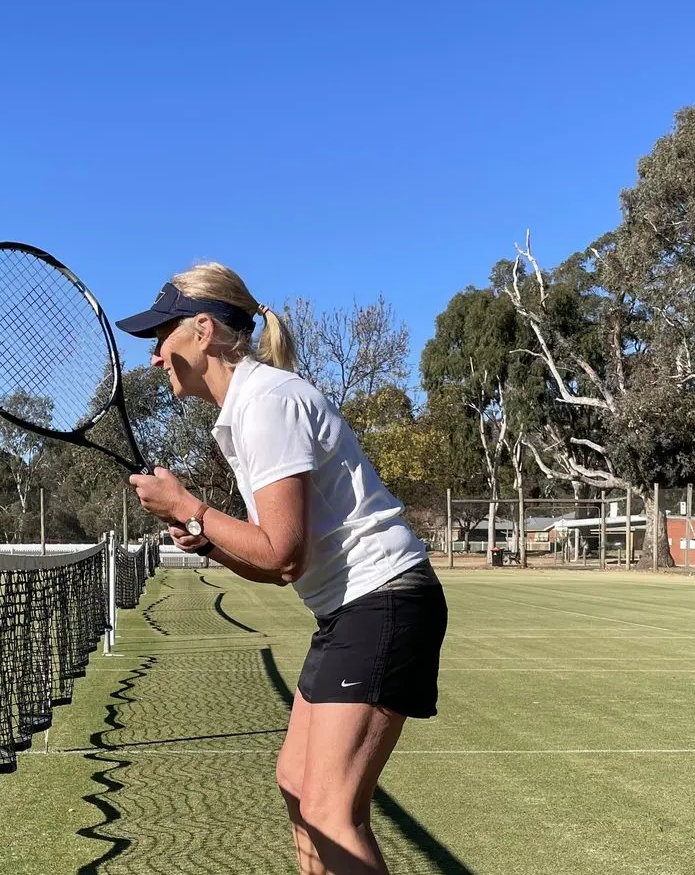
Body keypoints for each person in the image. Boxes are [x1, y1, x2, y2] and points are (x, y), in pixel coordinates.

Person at [117, 263, 448, 875]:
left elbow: (282, 554)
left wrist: (191, 508)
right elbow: (278, 566)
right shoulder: (248, 409)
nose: (154, 356)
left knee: (330, 811)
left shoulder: (268, 402)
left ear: (202, 330)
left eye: (161, 336)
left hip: (382, 599)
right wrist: (208, 543)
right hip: (347, 610)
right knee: (296, 782)